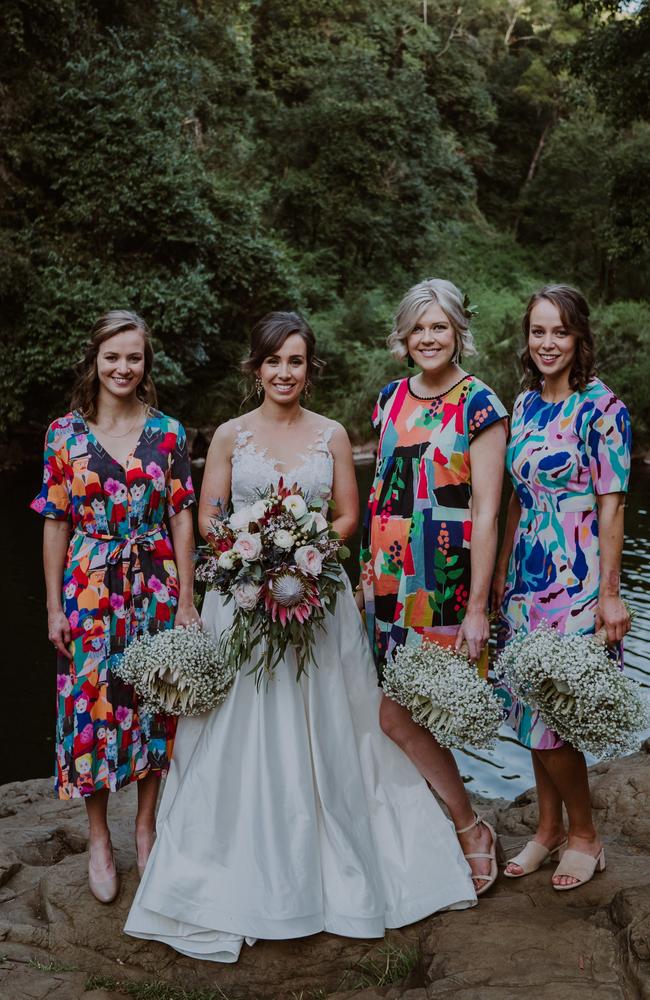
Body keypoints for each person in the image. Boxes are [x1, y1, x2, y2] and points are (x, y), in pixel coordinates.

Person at [124, 311, 476, 962]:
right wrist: (251, 553)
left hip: (320, 598)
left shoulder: (334, 435)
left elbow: (347, 514)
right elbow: (207, 515)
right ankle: (240, 863)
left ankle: (341, 855)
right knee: (239, 724)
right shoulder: (230, 436)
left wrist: (303, 553)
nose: (285, 373)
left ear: (310, 370)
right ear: (254, 368)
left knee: (343, 723)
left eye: (296, 361)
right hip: (243, 594)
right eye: (273, 361)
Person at [31, 309, 198, 903]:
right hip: (89, 587)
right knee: (91, 708)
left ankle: (146, 826)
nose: (123, 367)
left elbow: (181, 514)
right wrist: (54, 606)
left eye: (134, 357)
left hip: (154, 583)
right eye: (112, 357)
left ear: (145, 363)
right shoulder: (63, 435)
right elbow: (54, 520)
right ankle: (99, 836)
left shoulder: (171, 433)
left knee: (157, 701)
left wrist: (186, 599)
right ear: (95, 361)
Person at [359, 278, 508, 895]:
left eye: (439, 326)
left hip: (445, 581)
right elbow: (381, 493)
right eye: (418, 327)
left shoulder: (480, 404)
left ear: (457, 332)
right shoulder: (389, 399)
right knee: (399, 709)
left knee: (403, 716)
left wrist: (477, 607)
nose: (428, 337)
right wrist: (365, 574)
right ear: (403, 335)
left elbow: (488, 512)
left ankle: (471, 827)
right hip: (389, 582)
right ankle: (432, 830)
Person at [491, 284, 632, 889]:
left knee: (557, 719)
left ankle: (585, 835)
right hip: (526, 574)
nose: (547, 343)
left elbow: (612, 506)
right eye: (538, 331)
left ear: (579, 339)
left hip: (575, 575)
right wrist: (498, 576)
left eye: (560, 331)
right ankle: (546, 830)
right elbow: (518, 503)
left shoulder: (604, 409)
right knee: (530, 709)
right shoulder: (523, 405)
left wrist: (610, 593)